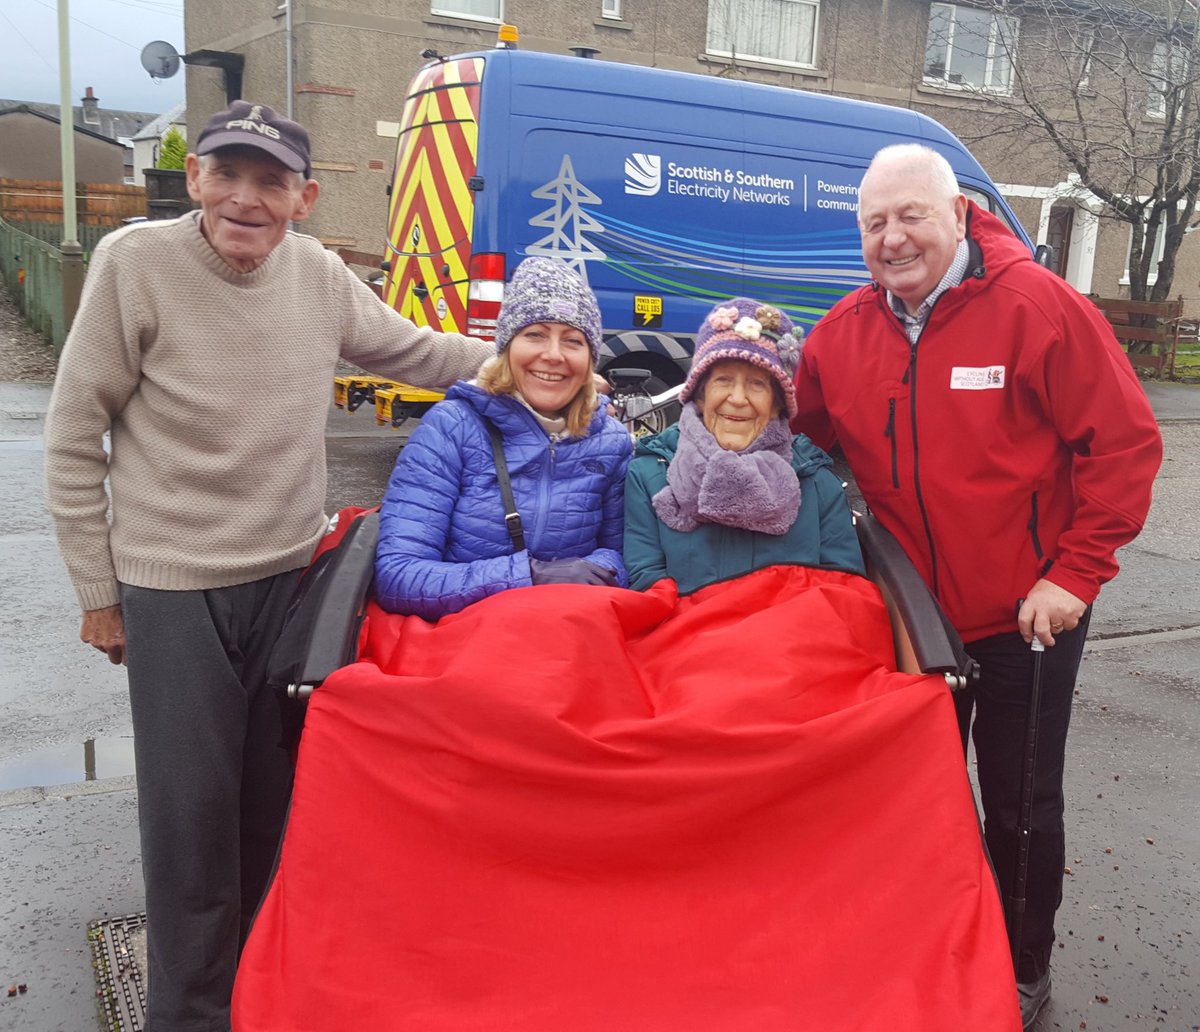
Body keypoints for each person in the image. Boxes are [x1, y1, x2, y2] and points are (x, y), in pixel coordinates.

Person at [42, 100, 496, 1031]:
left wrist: (524, 363)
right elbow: (71, 435)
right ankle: (189, 1014)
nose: (247, 199)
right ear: (197, 179)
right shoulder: (136, 265)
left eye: (271, 181)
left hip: (292, 584)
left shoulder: (318, 276)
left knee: (271, 811)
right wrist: (98, 593)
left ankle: (257, 991)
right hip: (174, 592)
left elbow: (414, 350)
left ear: (304, 196)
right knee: (190, 825)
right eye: (229, 175)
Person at [791, 143, 1163, 1027]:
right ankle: (925, 947)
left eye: (910, 215)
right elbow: (795, 451)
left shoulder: (1039, 308)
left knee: (1020, 805)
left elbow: (1124, 445)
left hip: (1025, 617)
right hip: (907, 621)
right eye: (874, 223)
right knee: (905, 802)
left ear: (957, 212)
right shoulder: (841, 335)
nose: (893, 238)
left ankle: (1020, 966)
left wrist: (1073, 576)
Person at [375, 256, 633, 620]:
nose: (553, 355)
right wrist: (530, 576)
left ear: (590, 359)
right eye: (535, 335)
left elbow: (624, 555)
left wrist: (599, 569)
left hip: (569, 633)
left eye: (573, 340)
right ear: (507, 348)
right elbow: (398, 574)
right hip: (463, 641)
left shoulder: (612, 443)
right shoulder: (450, 429)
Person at [624, 297, 862, 593]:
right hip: (683, 636)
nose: (737, 398)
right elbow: (646, 579)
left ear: (778, 405)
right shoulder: (649, 475)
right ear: (699, 395)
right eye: (723, 380)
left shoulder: (818, 485)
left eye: (757, 384)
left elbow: (844, 592)